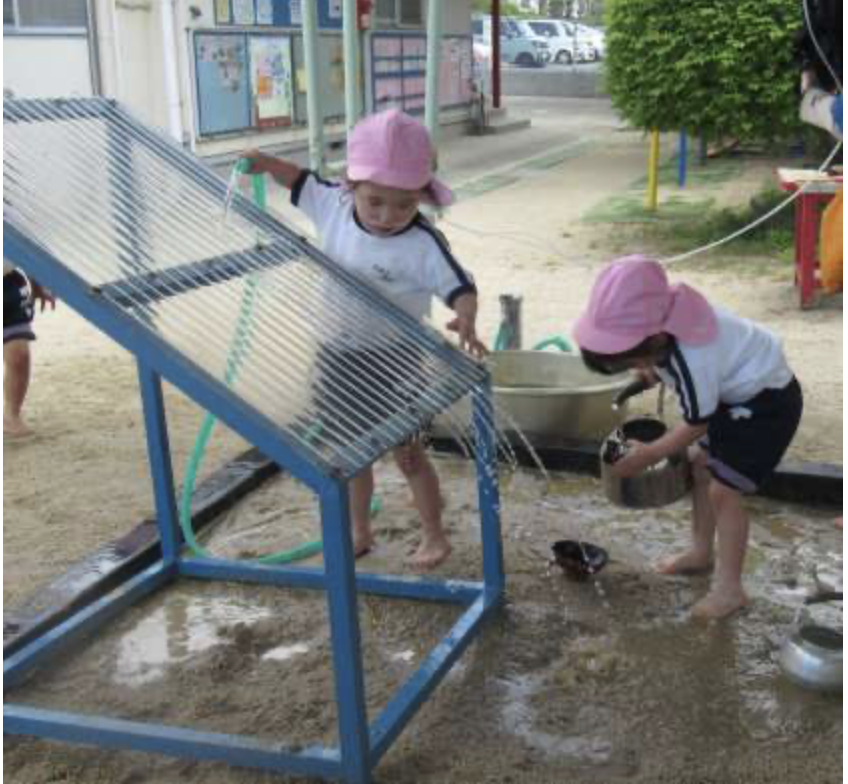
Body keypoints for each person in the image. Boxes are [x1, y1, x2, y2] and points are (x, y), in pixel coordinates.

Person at [241, 109, 485, 569]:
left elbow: (460, 287)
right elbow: (298, 179)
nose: (389, 216)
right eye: (376, 202)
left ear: (421, 198)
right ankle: (359, 531)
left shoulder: (422, 243)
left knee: (408, 452)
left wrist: (466, 317)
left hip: (397, 359)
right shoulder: (330, 203)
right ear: (351, 185)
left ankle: (435, 535)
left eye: (405, 204)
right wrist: (265, 161)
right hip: (337, 355)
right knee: (350, 454)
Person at [574, 256, 803, 620]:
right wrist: (652, 367)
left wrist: (650, 454)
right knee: (701, 466)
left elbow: (697, 422)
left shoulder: (692, 357)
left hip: (765, 406)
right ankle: (700, 553)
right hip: (736, 394)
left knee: (724, 491)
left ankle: (730, 589)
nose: (636, 368)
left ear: (655, 338)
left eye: (634, 360)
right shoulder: (668, 318)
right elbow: (675, 368)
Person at [4, 261, 56, 438]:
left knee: (19, 357)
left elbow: (21, 243)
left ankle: (11, 415)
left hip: (7, 285)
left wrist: (36, 284)